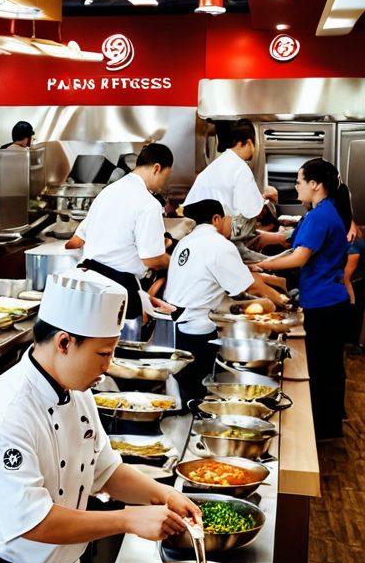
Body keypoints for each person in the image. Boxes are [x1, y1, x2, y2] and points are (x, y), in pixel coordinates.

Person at [0, 271, 201, 563]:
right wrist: (128, 520)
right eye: (103, 353)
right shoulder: (4, 416)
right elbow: (33, 521)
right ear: (64, 342)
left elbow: (105, 469)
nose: (109, 365)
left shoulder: (76, 392)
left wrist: (161, 496)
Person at [255, 159, 351, 440]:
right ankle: (329, 423)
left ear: (315, 184)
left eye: (299, 182)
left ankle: (325, 429)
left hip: (326, 303)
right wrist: (264, 262)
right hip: (326, 300)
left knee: (325, 369)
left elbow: (299, 257)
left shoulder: (322, 215)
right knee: (328, 366)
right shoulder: (320, 212)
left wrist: (263, 267)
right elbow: (292, 247)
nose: (296, 188)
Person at [164, 199, 284, 403]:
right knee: (196, 393)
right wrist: (278, 301)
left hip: (174, 327)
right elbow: (250, 286)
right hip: (196, 331)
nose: (232, 225)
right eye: (230, 220)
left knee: (182, 388)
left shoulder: (187, 241)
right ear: (217, 219)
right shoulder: (219, 244)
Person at [65, 142, 173, 319]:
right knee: (114, 345)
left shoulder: (108, 192)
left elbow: (79, 240)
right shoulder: (148, 203)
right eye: (166, 176)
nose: (164, 183)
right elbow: (152, 259)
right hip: (117, 291)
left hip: (87, 284)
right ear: (156, 168)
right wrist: (174, 264)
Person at [185, 119, 278, 227]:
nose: (254, 151)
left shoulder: (211, 168)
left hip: (200, 232)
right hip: (224, 234)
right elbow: (251, 213)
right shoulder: (241, 168)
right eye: (254, 146)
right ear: (248, 143)